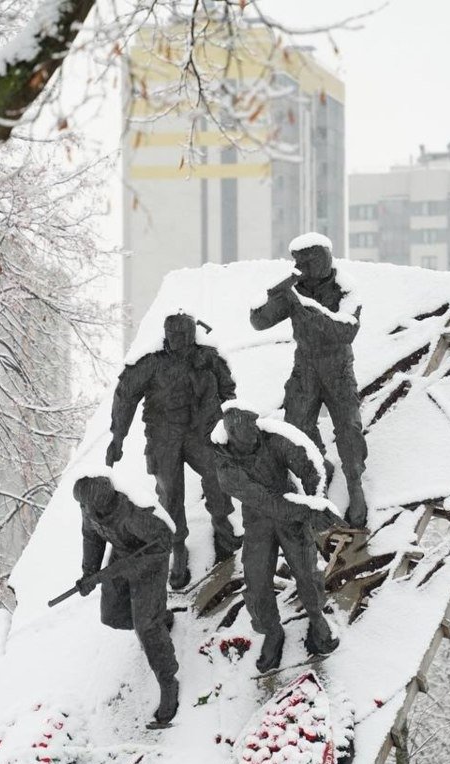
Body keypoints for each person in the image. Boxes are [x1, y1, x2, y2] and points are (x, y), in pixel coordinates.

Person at [107, 312, 238, 589]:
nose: (180, 341)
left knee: (217, 473)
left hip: (199, 432)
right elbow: (125, 396)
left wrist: (229, 423)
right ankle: (178, 547)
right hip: (163, 436)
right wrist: (117, 438)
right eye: (175, 336)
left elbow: (228, 390)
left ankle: (222, 524)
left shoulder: (206, 357)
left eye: (185, 336)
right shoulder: (151, 362)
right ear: (166, 336)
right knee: (169, 492)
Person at [249, 234, 369, 529]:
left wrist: (303, 305)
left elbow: (346, 332)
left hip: (337, 367)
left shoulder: (345, 288)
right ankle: (319, 470)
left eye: (309, 260)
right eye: (299, 262)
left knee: (348, 427)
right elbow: (259, 322)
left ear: (324, 258)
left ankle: (355, 483)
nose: (303, 267)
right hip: (305, 366)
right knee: (297, 426)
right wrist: (274, 296)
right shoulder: (295, 288)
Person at [211, 405, 342, 673]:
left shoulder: (273, 437)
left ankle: (316, 615)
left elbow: (310, 464)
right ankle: (271, 630)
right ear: (234, 436)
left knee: (306, 569)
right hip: (260, 519)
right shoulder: (226, 467)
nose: (255, 436)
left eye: (256, 430)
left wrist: (318, 499)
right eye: (248, 434)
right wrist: (309, 510)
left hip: (291, 512)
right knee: (256, 580)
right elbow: (268, 502)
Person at [74, 474, 179, 727]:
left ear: (103, 501)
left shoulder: (135, 514)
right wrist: (89, 573)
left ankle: (168, 682)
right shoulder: (89, 508)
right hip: (121, 558)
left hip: (150, 562)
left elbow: (165, 542)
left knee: (146, 625)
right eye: (84, 505)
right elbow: (91, 537)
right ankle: (161, 619)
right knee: (112, 615)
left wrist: (133, 566)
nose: (86, 509)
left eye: (89, 505)